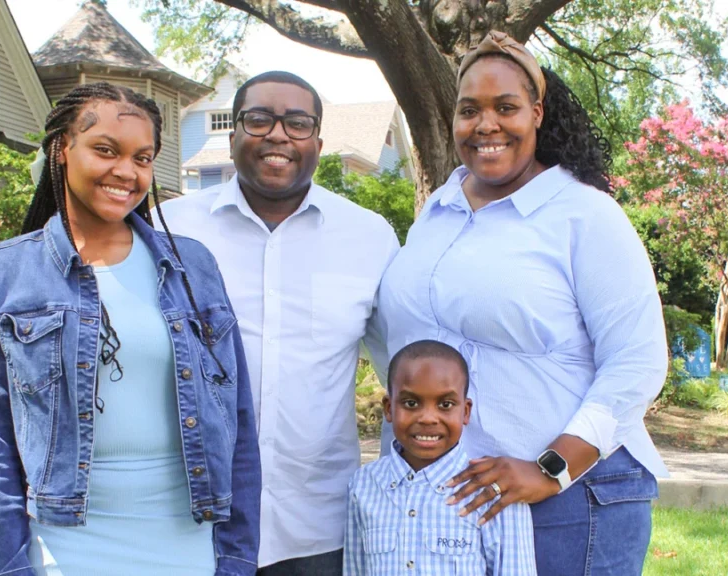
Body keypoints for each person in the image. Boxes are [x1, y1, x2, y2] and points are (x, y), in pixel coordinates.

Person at [375, 32, 668, 575]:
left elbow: (637, 361)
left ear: (536, 113)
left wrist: (550, 467)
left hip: (574, 499)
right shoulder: (435, 214)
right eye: (470, 110)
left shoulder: (584, 214)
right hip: (462, 501)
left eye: (505, 107)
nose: (486, 125)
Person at [0, 82, 260, 576]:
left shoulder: (194, 268)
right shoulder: (2, 275)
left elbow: (239, 422)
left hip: (186, 539)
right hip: (65, 543)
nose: (126, 171)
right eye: (105, 150)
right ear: (62, 150)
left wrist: (236, 555)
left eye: (142, 158)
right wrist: (9, 567)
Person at [156, 71, 400, 575]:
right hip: (190, 522)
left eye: (297, 123)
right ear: (233, 134)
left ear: (319, 141)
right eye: (259, 119)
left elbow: (406, 371)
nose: (278, 135)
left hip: (318, 528)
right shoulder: (170, 229)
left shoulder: (368, 237)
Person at [344, 340, 536, 576]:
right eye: (411, 403)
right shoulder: (363, 485)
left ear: (465, 411)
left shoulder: (493, 491)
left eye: (445, 404)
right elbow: (355, 570)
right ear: (388, 408)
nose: (427, 418)